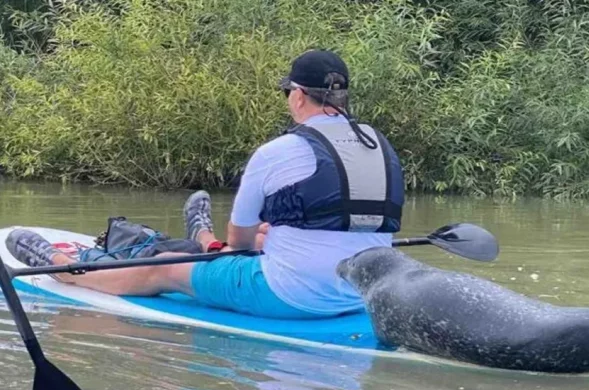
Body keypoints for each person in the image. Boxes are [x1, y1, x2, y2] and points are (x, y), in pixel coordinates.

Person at [5, 49, 405, 320]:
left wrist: (242, 243)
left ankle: (63, 267)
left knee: (165, 268)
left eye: (288, 92)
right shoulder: (382, 145)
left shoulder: (280, 150)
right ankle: (201, 233)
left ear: (299, 96)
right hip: (360, 294)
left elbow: (243, 243)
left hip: (295, 296)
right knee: (271, 233)